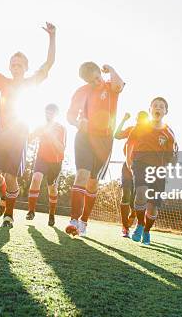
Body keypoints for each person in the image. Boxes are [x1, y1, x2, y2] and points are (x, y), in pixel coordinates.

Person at [0, 23, 56, 228]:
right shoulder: (3, 81)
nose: (16, 67)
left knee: (11, 176)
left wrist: (52, 37)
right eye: (13, 64)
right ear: (9, 66)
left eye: (19, 65)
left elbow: (49, 63)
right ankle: (3, 196)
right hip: (1, 135)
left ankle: (9, 216)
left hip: (20, 138)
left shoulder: (31, 83)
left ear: (26, 68)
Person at [65, 62, 124, 236]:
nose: (96, 82)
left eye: (98, 77)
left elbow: (119, 85)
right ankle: (73, 221)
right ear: (85, 81)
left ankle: (84, 221)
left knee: (93, 181)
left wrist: (112, 69)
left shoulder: (110, 87)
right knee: (82, 174)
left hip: (105, 140)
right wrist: (77, 123)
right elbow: (69, 116)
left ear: (101, 73)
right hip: (84, 137)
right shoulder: (80, 92)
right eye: (91, 81)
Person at [129, 97, 177, 245]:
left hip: (158, 170)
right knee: (141, 193)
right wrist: (129, 161)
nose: (158, 108)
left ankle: (147, 231)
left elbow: (171, 156)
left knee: (153, 206)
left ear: (165, 112)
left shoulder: (169, 133)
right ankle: (140, 225)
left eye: (161, 107)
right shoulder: (140, 127)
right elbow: (130, 143)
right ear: (150, 110)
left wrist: (173, 160)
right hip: (140, 163)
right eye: (155, 106)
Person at [26, 103, 66, 226]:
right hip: (41, 158)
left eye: (51, 112)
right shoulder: (41, 126)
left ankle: (52, 214)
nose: (48, 114)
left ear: (56, 114)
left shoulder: (61, 128)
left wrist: (51, 135)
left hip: (55, 161)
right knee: (36, 178)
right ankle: (31, 211)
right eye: (47, 112)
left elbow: (61, 149)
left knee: (51, 187)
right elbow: (29, 139)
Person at [114, 110, 149, 237]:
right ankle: (125, 227)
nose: (141, 121)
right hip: (127, 166)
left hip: (141, 168)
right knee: (126, 195)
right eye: (139, 118)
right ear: (136, 119)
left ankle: (134, 216)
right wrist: (124, 119)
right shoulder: (131, 129)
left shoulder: (150, 133)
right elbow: (116, 135)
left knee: (137, 198)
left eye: (144, 119)